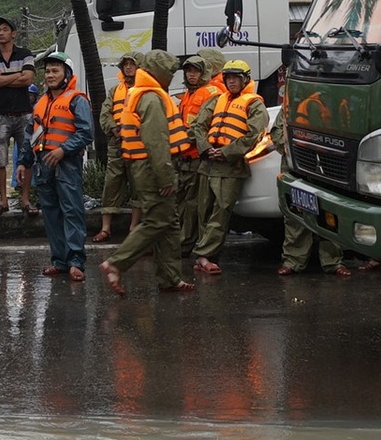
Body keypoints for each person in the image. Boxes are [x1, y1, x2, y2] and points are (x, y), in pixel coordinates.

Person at [99, 50, 193, 296]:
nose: (172, 77)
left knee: (170, 222)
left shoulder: (140, 93)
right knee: (157, 220)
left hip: (145, 165)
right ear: (159, 72)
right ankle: (116, 263)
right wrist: (165, 177)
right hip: (152, 168)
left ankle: (170, 278)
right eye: (170, 72)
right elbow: (156, 141)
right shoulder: (151, 97)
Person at [189, 60, 269, 274]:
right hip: (208, 163)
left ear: (245, 79)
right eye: (228, 77)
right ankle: (205, 256)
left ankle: (205, 256)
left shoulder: (254, 104)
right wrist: (206, 149)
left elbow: (254, 135)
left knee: (220, 212)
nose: (231, 81)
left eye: (235, 77)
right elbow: (198, 125)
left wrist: (225, 152)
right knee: (203, 211)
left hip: (230, 166)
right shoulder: (217, 100)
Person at [31, 51, 94, 281]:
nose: (49, 75)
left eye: (55, 71)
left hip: (67, 164)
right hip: (44, 164)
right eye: (47, 71)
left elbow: (86, 132)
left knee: (72, 211)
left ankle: (76, 261)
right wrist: (24, 163)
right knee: (51, 214)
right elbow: (33, 135)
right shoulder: (41, 102)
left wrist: (62, 150)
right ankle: (59, 261)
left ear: (66, 74)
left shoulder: (77, 99)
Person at [270, 101, 351, 278]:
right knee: (295, 215)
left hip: (325, 167)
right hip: (295, 167)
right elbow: (276, 131)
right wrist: (289, 147)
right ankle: (293, 261)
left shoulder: (332, 105)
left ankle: (333, 262)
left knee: (329, 215)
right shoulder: (291, 105)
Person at [0, 16, 36, 215]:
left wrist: (2, 77)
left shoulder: (26, 54)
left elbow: (28, 78)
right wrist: (17, 75)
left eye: (5, 29)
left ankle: (25, 199)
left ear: (13, 33)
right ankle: (3, 200)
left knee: (26, 157)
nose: (1, 33)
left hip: (24, 114)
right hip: (1, 114)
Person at [174, 53, 226, 255]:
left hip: (197, 158)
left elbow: (199, 127)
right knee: (184, 204)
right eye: (188, 70)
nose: (191, 74)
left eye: (196, 71)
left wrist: (178, 138)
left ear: (204, 72)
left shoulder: (210, 93)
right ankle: (184, 242)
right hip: (184, 158)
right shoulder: (189, 94)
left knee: (195, 205)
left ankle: (188, 244)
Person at [92, 53, 139, 244]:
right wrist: (113, 128)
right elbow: (105, 114)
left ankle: (134, 228)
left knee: (138, 186)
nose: (128, 67)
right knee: (111, 183)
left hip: (138, 144)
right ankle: (105, 228)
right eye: (125, 64)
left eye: (132, 64)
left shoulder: (145, 90)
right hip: (117, 144)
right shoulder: (114, 91)